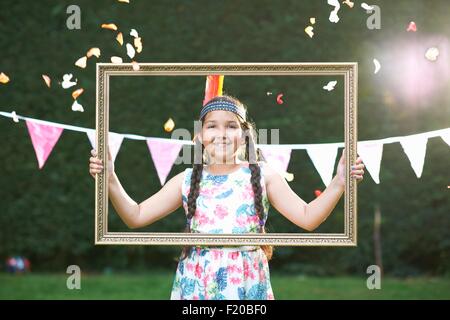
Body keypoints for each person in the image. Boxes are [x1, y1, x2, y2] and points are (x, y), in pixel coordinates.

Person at [89, 94, 365, 300]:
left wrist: (339, 182)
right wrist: (110, 178)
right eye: (212, 126)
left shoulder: (264, 176)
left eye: (231, 126)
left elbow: (308, 218)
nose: (222, 134)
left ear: (245, 134)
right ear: (199, 136)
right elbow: (135, 216)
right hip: (197, 283)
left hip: (246, 281)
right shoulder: (185, 180)